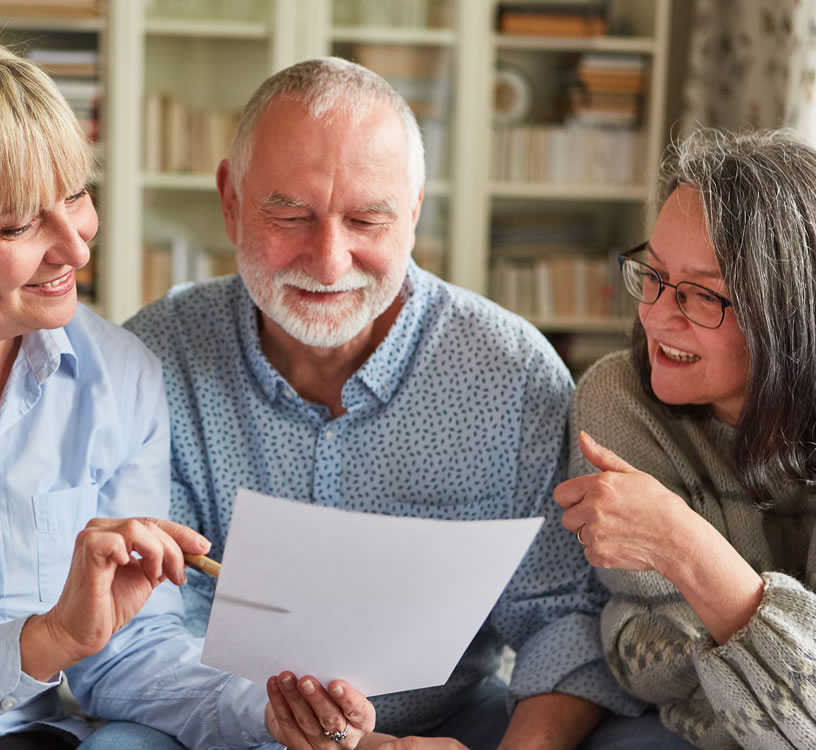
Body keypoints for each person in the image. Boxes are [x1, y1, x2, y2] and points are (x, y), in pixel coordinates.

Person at [126, 57, 688, 750]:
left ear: (415, 209)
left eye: (366, 219)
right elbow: (142, 631)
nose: (329, 262)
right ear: (231, 199)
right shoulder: (150, 360)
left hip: (448, 726)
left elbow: (560, 619)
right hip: (219, 725)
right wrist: (297, 731)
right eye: (291, 214)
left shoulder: (510, 374)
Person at [0, 36, 356, 750]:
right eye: (16, 224)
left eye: (74, 195)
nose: (75, 246)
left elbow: (125, 656)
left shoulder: (117, 373)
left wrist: (273, 714)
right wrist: (42, 643)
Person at [555, 128, 816, 749]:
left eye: (703, 294)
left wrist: (682, 543)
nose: (656, 314)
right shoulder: (618, 401)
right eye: (654, 274)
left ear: (790, 310)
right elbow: (643, 663)